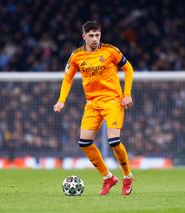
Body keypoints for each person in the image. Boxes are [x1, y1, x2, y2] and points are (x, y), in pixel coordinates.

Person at [54, 20, 134, 196]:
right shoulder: (76, 56)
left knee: (114, 141)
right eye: (91, 35)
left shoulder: (110, 51)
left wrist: (126, 93)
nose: (95, 39)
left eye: (97, 35)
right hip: (92, 103)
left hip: (112, 100)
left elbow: (128, 68)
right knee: (84, 142)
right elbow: (67, 78)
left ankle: (127, 176)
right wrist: (61, 100)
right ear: (84, 36)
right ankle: (108, 178)